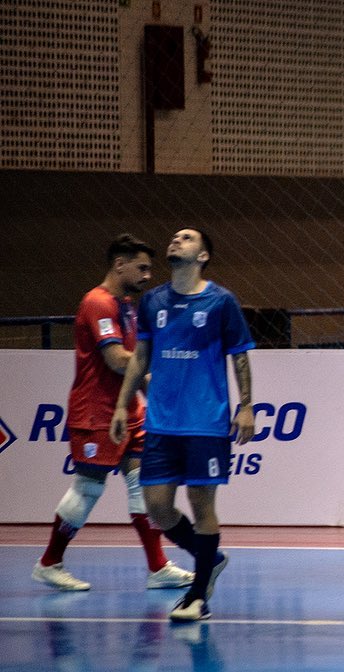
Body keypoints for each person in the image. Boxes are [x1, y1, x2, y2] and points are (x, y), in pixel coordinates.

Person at [32, 234, 194, 592]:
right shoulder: (97, 303)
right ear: (119, 264)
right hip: (96, 414)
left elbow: (134, 361)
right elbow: (118, 359)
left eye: (150, 269)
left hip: (129, 413)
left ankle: (158, 567)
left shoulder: (126, 305)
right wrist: (155, 379)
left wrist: (151, 391)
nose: (148, 275)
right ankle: (49, 563)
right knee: (88, 488)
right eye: (142, 267)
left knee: (142, 486)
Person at [111, 228, 256, 622]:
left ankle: (198, 596)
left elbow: (240, 356)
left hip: (205, 423)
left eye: (187, 238)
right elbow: (139, 358)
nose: (176, 241)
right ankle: (211, 558)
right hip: (161, 423)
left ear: (203, 255)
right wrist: (124, 406)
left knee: (201, 504)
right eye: (175, 237)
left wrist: (246, 406)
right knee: (157, 507)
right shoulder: (153, 299)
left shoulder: (221, 301)